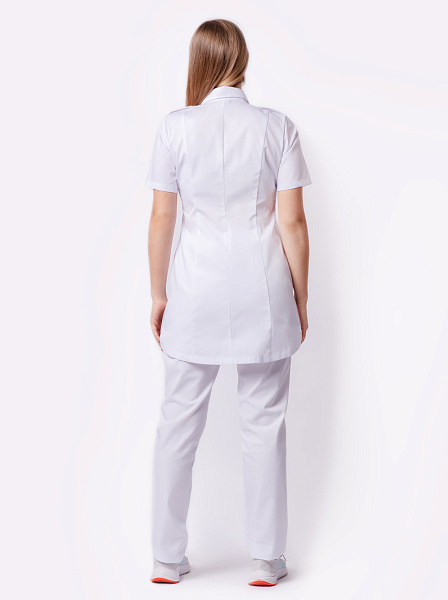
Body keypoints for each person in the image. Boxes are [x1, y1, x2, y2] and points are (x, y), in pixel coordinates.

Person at [145, 19, 312, 586]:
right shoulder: (277, 127)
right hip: (263, 291)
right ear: (241, 60)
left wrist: (158, 294)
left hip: (193, 294)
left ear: (199, 61)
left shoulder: (174, 128)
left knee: (177, 424)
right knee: (263, 424)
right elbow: (292, 223)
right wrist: (300, 298)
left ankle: (166, 558)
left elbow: (162, 217)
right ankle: (266, 558)